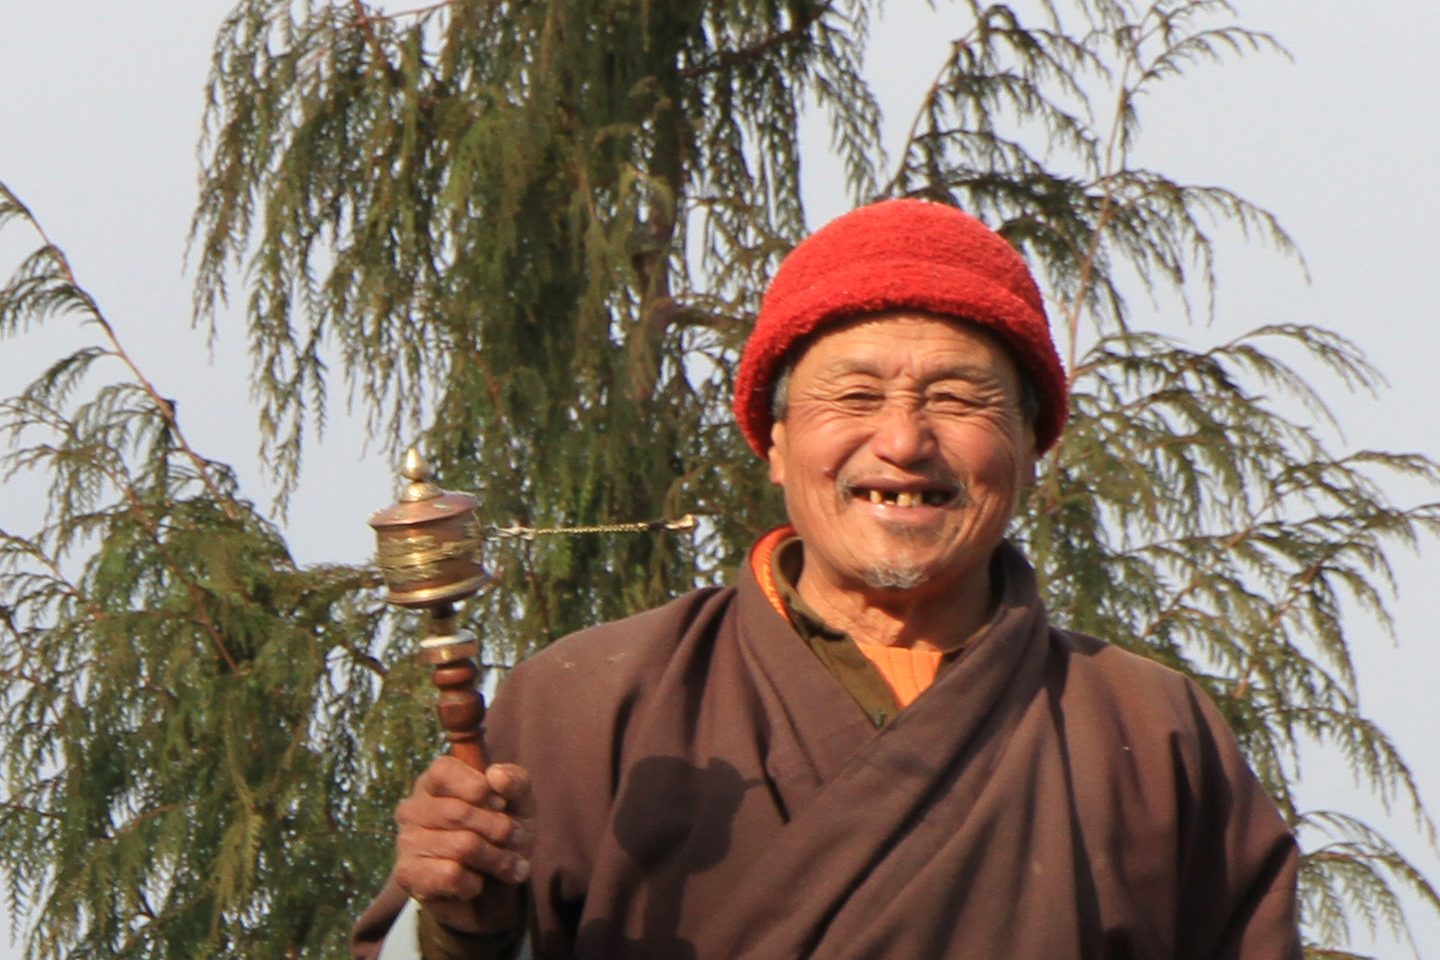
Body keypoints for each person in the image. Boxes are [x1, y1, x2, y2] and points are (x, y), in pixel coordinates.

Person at [353, 199, 1302, 959]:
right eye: (854, 395)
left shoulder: (1147, 731)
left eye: (958, 399)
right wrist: (459, 934)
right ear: (773, 442)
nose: (902, 440)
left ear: (1028, 444)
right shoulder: (593, 702)